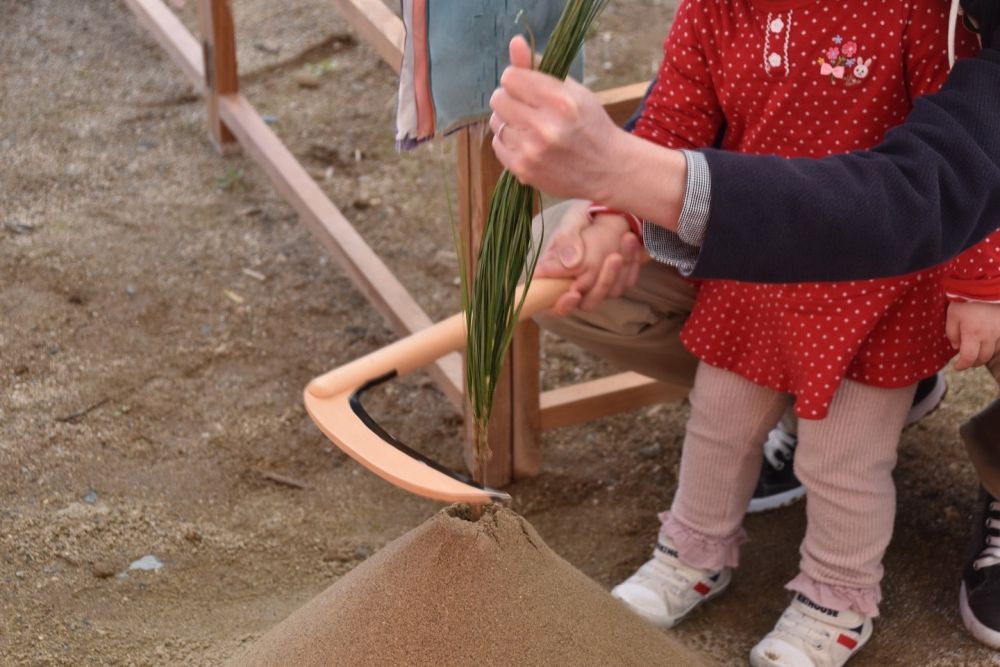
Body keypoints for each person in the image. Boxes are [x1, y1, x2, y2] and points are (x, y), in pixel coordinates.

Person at [489, 2, 1000, 665]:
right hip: (753, 265)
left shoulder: (918, 16)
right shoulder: (715, 11)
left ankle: (837, 596)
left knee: (843, 462)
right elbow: (674, 116)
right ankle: (691, 553)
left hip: (876, 293)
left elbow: (973, 161)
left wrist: (979, 285)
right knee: (718, 423)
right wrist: (613, 207)